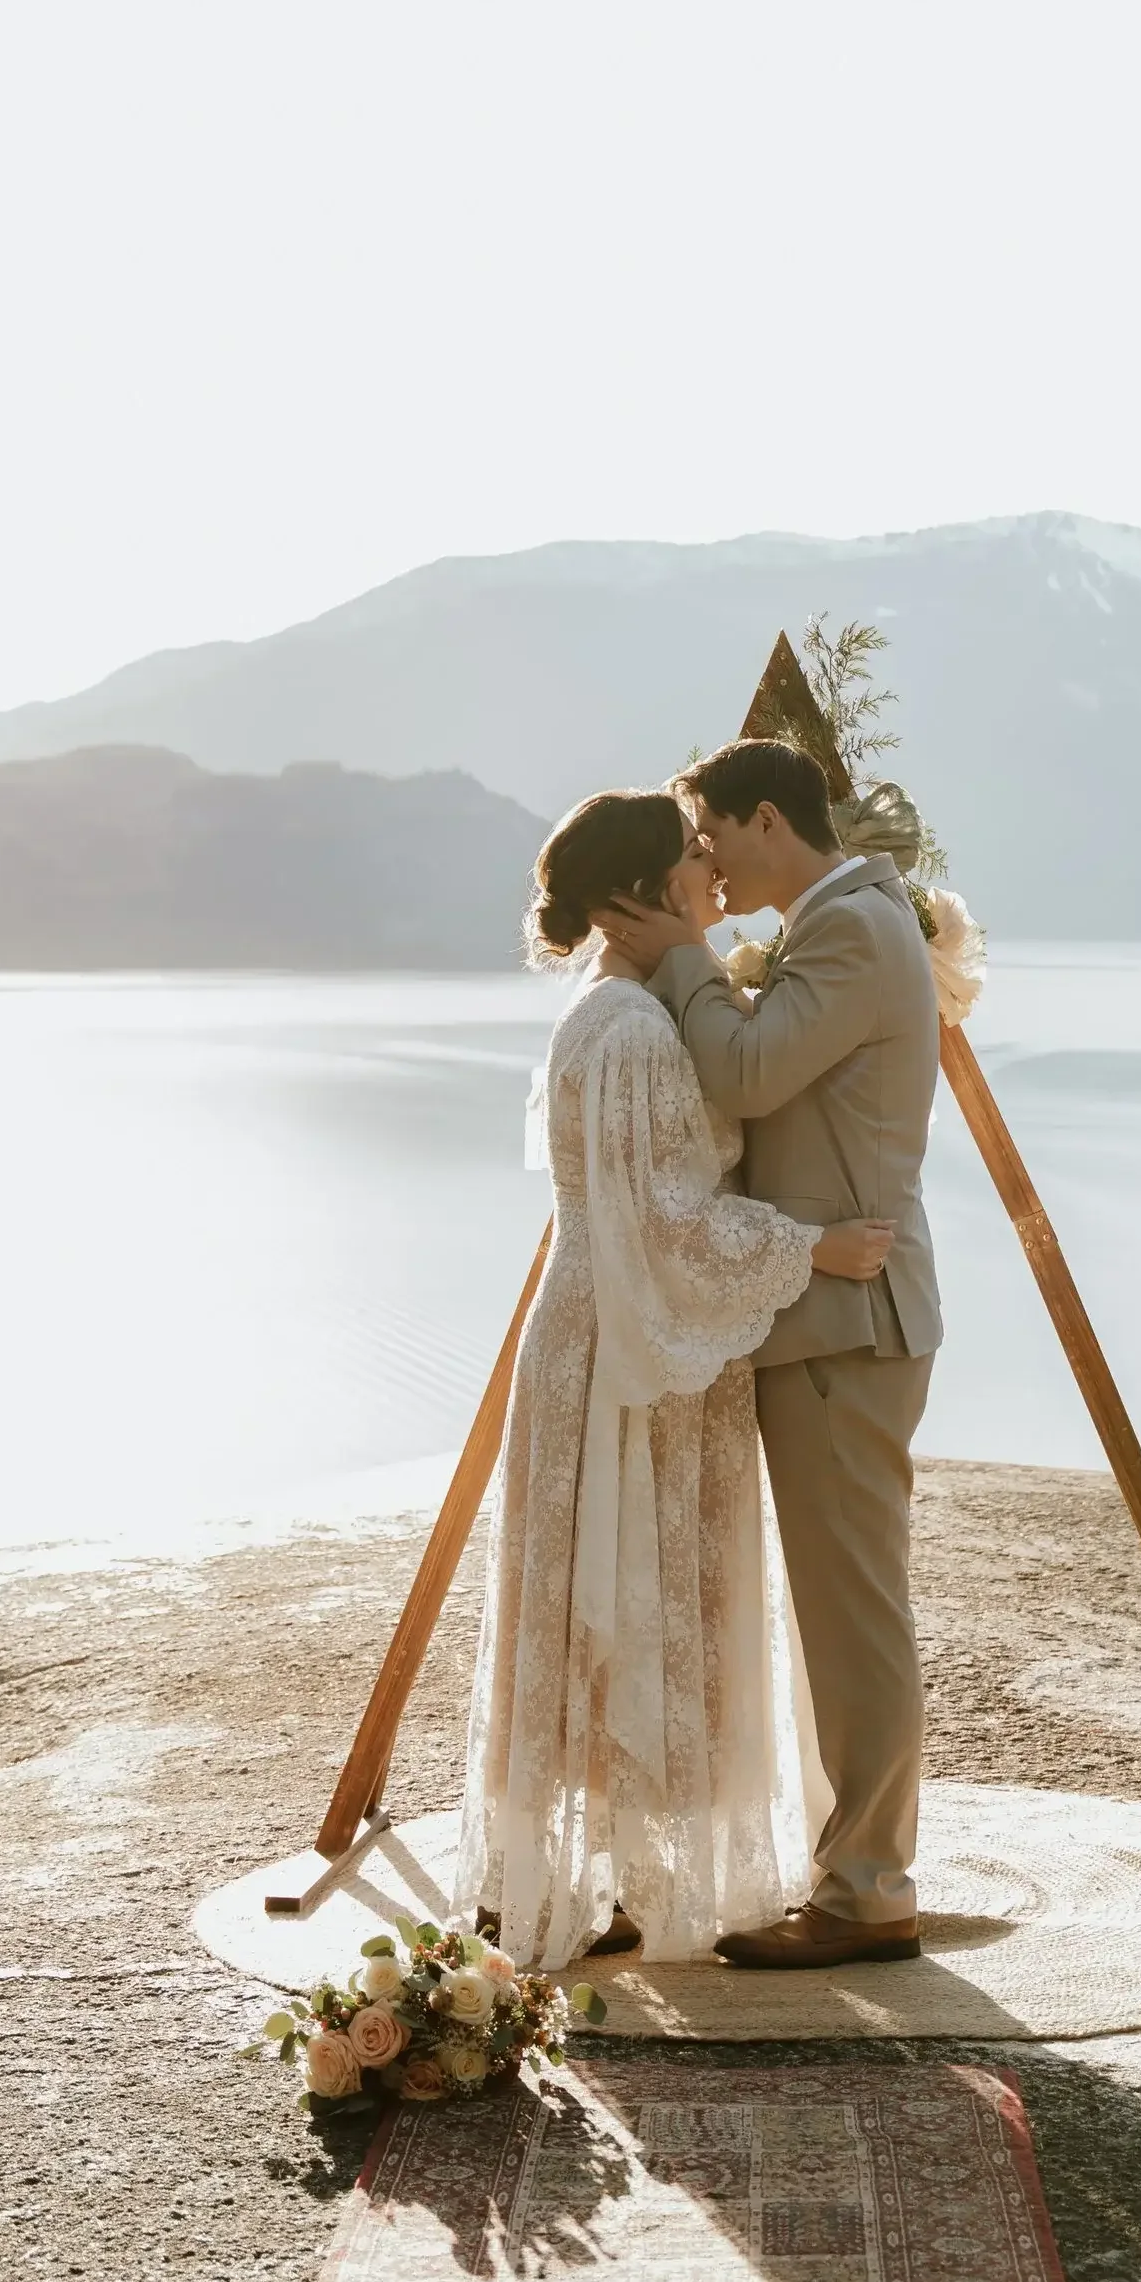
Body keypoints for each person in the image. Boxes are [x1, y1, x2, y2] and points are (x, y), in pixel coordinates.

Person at [456, 786, 894, 1970]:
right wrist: (810, 1247)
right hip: (631, 1351)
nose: (712, 869)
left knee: (606, 1602)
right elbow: (664, 1222)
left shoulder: (623, 1008)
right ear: (641, 891)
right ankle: (599, 1888)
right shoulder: (636, 1031)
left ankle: (588, 1881)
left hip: (618, 1332)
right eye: (693, 855)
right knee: (626, 1600)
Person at [596, 737, 941, 1971]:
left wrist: (679, 956)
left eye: (711, 834)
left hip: (850, 1317)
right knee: (839, 1610)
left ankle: (868, 1894)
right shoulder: (841, 922)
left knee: (854, 1616)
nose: (706, 860)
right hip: (822, 1311)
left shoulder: (852, 929)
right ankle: (849, 1869)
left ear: (763, 821)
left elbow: (743, 1076)